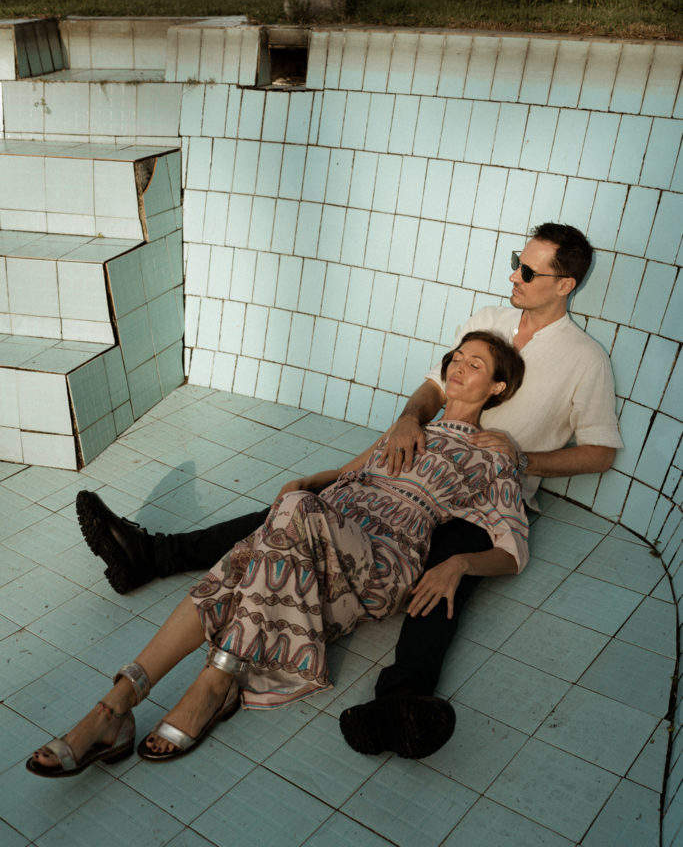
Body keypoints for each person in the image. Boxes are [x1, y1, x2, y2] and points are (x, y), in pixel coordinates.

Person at [76, 221, 622, 758]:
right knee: (293, 514)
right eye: (515, 262)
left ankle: (401, 696)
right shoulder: (490, 320)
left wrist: (519, 460)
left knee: (436, 569)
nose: (514, 275)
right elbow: (429, 393)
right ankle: (132, 680)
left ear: (564, 284)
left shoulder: (582, 358)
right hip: (395, 475)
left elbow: (598, 453)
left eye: (528, 269)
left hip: (475, 489)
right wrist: (405, 423)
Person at [28, 333, 526, 777]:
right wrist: (309, 482)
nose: (458, 366)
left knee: (285, 520)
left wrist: (460, 563)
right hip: (320, 532)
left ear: (499, 388)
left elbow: (512, 548)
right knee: (246, 560)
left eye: (475, 364)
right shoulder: (409, 427)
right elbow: (356, 469)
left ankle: (209, 682)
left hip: (381, 558)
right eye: (456, 356)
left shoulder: (493, 453)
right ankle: (117, 706)